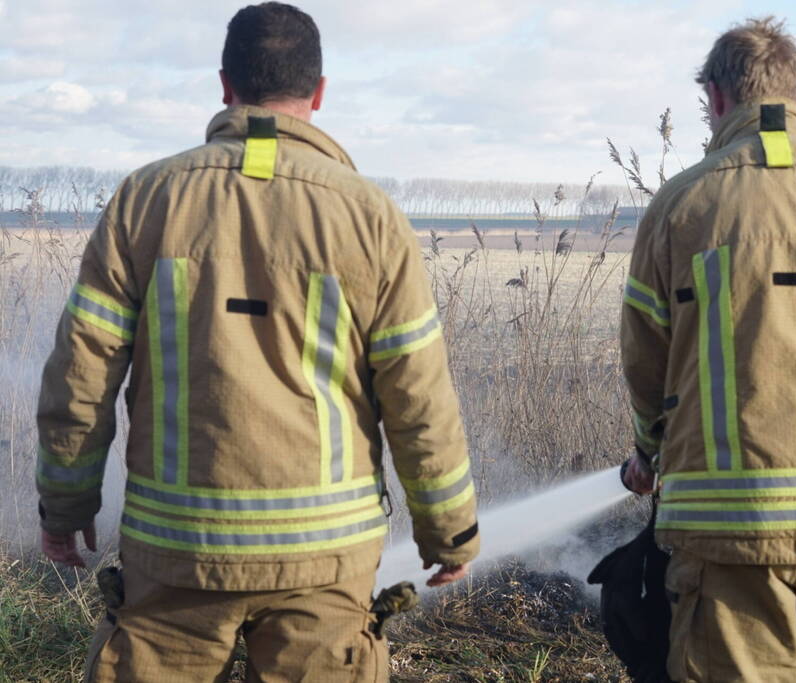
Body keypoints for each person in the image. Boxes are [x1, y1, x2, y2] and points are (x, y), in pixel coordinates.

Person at [35, 3, 479, 680]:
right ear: (320, 92)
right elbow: (417, 391)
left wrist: (65, 504)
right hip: (325, 560)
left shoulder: (144, 200)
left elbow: (82, 372)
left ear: (224, 84)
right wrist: (448, 528)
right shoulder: (370, 215)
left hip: (177, 551)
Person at [620, 16, 796, 683]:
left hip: (731, 532)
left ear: (716, 100)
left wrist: (646, 450)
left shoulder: (682, 206)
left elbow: (644, 357)